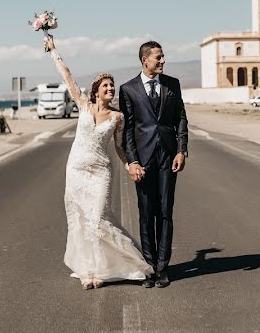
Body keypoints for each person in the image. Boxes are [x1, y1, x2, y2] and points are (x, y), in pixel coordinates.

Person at [44, 35, 151, 289]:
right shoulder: (83, 105)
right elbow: (68, 77)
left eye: (112, 87)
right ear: (96, 91)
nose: (110, 89)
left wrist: (129, 165)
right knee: (81, 221)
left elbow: (119, 146)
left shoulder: (117, 117)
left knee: (99, 219)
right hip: (77, 169)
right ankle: (90, 271)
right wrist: (53, 51)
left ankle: (131, 263)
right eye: (105, 86)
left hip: (101, 171)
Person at [119, 41, 189, 288]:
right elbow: (127, 130)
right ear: (144, 60)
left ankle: (163, 267)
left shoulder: (173, 84)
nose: (163, 61)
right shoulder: (128, 89)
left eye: (163, 57)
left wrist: (181, 150)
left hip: (168, 156)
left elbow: (180, 118)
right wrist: (132, 161)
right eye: (158, 57)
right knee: (146, 212)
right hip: (144, 159)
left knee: (166, 211)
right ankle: (148, 266)